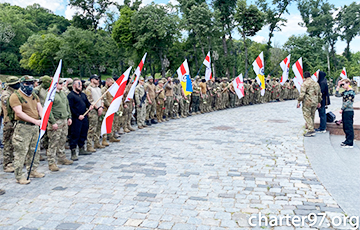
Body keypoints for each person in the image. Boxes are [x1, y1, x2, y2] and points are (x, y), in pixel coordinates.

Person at [9, 76, 45, 184]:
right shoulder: (15, 96)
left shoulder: (34, 95)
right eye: (27, 83)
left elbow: (39, 108)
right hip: (23, 127)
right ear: (21, 84)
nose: (29, 86)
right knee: (21, 152)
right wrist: (35, 121)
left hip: (34, 127)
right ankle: (19, 176)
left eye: (31, 83)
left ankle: (33, 170)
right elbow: (19, 112)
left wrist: (42, 118)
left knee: (34, 150)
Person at [46, 79, 73, 171]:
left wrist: (69, 117)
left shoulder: (62, 93)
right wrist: (53, 122)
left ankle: (61, 158)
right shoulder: (50, 94)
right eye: (60, 83)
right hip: (56, 121)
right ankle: (51, 162)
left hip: (64, 119)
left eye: (62, 83)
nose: (62, 85)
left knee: (62, 140)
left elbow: (67, 105)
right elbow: (48, 110)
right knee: (53, 142)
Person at [67, 79, 93, 160]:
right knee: (75, 134)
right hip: (76, 119)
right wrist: (78, 115)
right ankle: (73, 151)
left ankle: (81, 148)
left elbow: (87, 102)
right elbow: (70, 108)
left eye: (81, 85)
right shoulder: (71, 96)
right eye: (79, 85)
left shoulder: (83, 95)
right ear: (74, 86)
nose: (81, 87)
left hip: (84, 117)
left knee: (83, 133)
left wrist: (90, 106)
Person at [1, 76, 20, 173]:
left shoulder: (16, 93)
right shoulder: (6, 94)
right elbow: (9, 104)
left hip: (16, 120)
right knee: (8, 143)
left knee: (16, 142)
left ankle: (15, 160)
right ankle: (7, 164)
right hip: (9, 121)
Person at [297, 71, 322, 137]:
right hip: (315, 102)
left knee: (307, 115)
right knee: (312, 115)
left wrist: (299, 102)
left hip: (307, 102)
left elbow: (302, 94)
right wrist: (319, 101)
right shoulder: (316, 83)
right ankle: (312, 128)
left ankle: (311, 130)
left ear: (304, 77)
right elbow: (319, 94)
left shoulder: (305, 84)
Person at [85, 75, 104, 152]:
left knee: (98, 126)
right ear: (92, 80)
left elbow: (102, 98)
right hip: (93, 110)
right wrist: (98, 108)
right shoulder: (89, 89)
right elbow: (90, 100)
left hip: (100, 109)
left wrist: (101, 107)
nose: (98, 80)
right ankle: (89, 145)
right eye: (96, 79)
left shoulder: (99, 89)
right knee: (92, 128)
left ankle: (97, 142)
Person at [335, 79, 356, 148]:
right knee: (345, 127)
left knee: (349, 127)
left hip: (349, 111)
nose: (343, 86)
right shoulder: (345, 92)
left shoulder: (351, 92)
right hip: (345, 111)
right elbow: (337, 95)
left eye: (343, 84)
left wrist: (342, 108)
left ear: (348, 83)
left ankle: (350, 143)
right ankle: (347, 140)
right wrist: (338, 86)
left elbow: (349, 102)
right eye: (342, 85)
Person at [101, 78, 120, 144]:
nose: (112, 84)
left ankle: (111, 136)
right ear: (107, 82)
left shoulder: (112, 89)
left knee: (112, 123)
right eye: (111, 83)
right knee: (106, 124)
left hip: (111, 108)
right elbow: (105, 99)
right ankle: (104, 138)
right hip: (106, 109)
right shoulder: (104, 90)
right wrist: (110, 106)